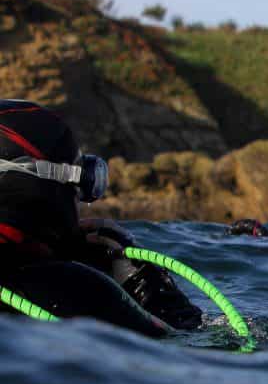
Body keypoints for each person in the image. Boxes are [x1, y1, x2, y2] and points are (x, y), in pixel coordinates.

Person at [0, 100, 202, 334]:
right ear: (47, 188)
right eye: (82, 185)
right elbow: (189, 348)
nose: (79, 203)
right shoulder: (74, 287)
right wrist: (144, 282)